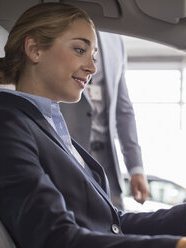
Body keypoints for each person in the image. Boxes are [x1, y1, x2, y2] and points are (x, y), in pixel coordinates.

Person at [0, 3, 186, 248]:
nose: (93, 68)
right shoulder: (6, 129)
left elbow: (113, 225)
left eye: (93, 56)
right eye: (80, 50)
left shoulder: (45, 126)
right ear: (34, 50)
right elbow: (57, 239)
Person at [60, 31, 148, 210]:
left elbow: (124, 109)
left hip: (107, 163)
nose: (92, 68)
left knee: (117, 225)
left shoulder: (116, 39)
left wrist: (136, 167)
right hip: (68, 156)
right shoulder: (62, 24)